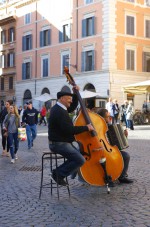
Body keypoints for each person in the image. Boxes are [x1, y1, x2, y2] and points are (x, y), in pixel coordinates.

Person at [48, 89, 94, 186]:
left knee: (81, 152)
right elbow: (69, 130)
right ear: (61, 98)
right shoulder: (59, 111)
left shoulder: (60, 108)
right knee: (80, 159)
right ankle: (58, 174)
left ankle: (69, 173)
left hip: (61, 142)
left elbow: (72, 108)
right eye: (69, 98)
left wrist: (76, 94)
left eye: (71, 99)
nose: (71, 101)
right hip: (58, 144)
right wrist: (86, 127)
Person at [97, 108, 133, 184]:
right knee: (125, 156)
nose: (110, 118)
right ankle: (111, 176)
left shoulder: (109, 127)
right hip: (100, 152)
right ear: (102, 118)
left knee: (126, 156)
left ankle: (122, 177)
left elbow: (118, 145)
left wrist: (124, 136)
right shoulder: (98, 127)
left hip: (109, 151)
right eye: (107, 116)